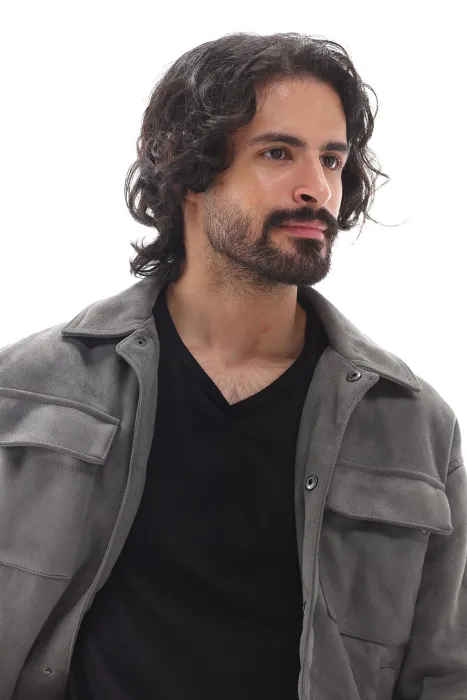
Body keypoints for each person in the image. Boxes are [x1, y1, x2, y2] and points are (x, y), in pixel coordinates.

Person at [0, 32, 465, 700]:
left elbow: (446, 673)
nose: (317, 189)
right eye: (278, 153)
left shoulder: (414, 426)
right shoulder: (27, 391)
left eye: (332, 159)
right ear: (191, 170)